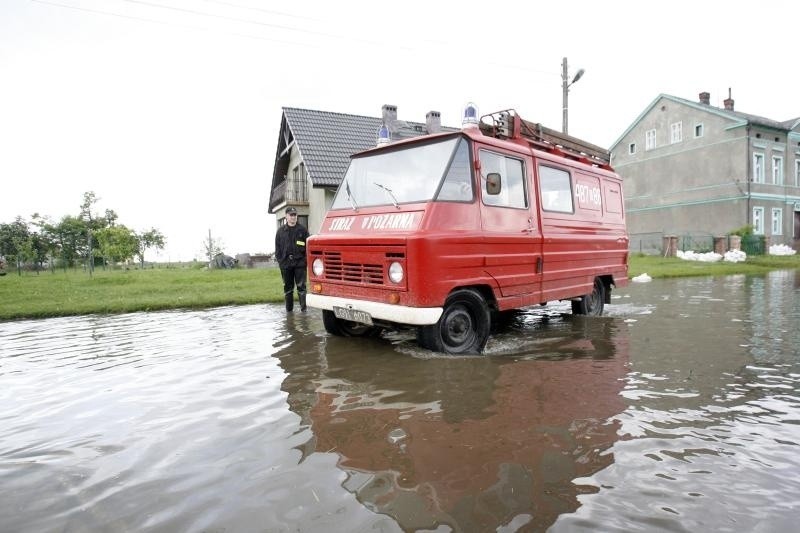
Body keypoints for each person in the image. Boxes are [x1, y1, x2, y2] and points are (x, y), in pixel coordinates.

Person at [275, 207, 310, 312]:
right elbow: (277, 249)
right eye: (291, 215)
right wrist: (281, 262)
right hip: (286, 265)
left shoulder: (303, 230)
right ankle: (289, 313)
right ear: (286, 216)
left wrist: (305, 261)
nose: (293, 217)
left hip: (300, 264)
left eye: (295, 215)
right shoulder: (280, 232)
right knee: (288, 289)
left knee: (302, 288)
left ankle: (304, 312)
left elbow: (308, 247)